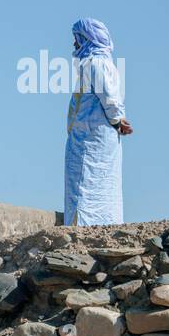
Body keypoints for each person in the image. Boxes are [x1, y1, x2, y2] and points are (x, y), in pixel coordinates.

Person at [64, 18, 132, 226]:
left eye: (77, 39)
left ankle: (83, 226)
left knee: (86, 182)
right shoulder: (102, 63)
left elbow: (109, 96)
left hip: (91, 137)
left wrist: (117, 119)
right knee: (97, 181)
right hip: (94, 135)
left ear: (87, 38)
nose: (75, 44)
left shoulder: (94, 63)